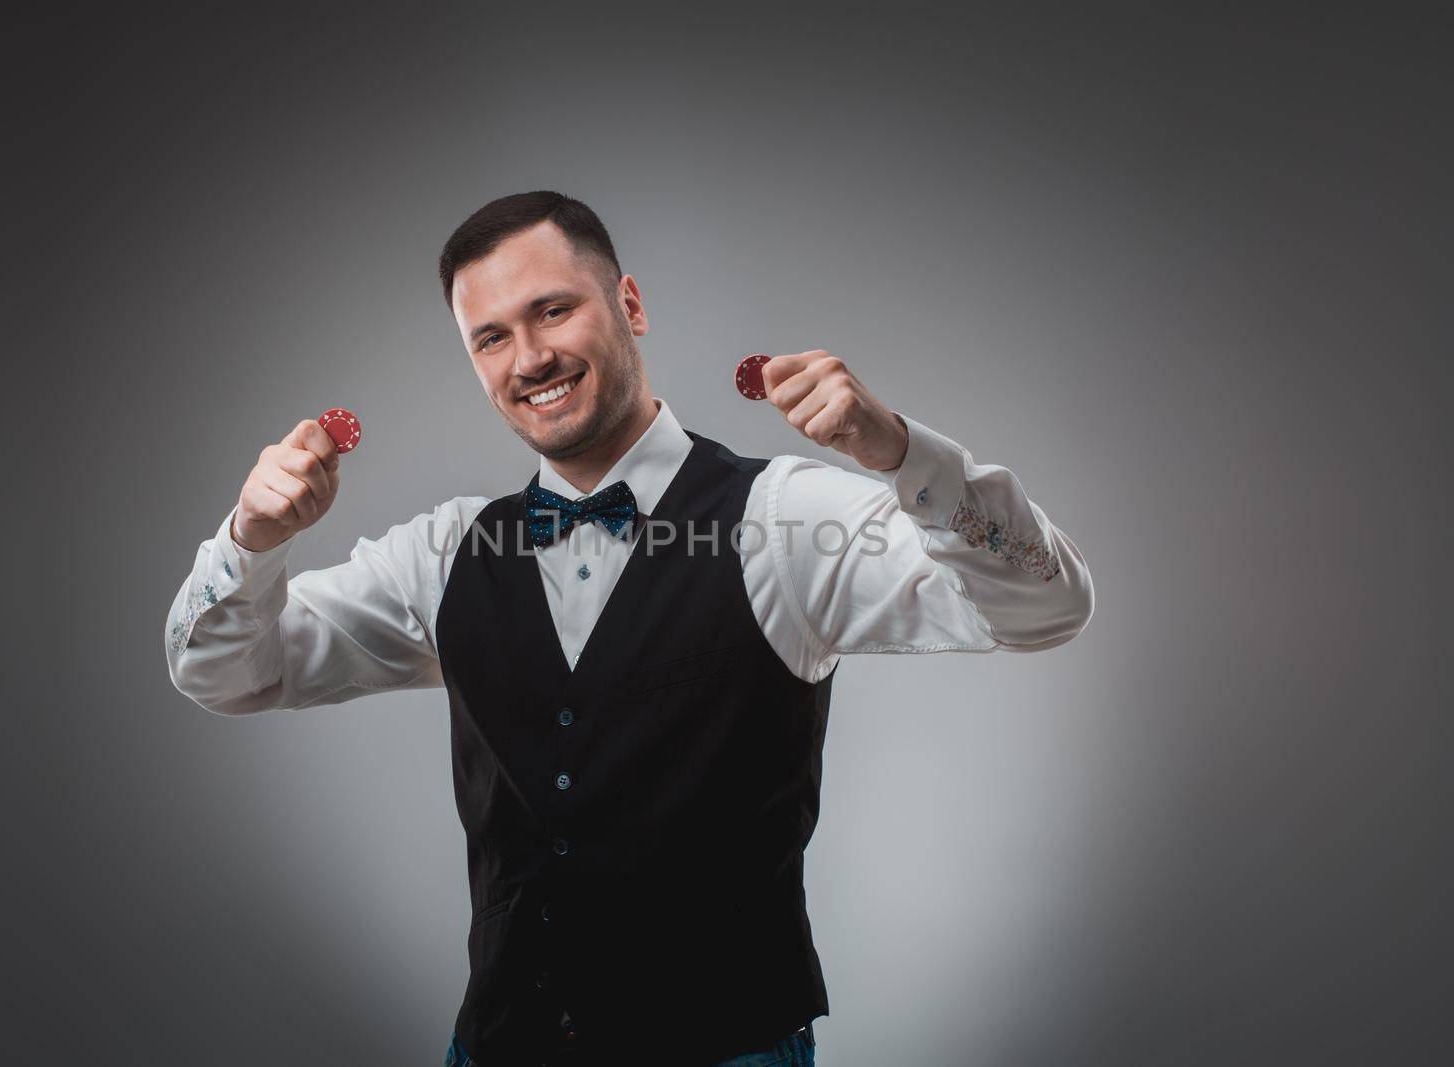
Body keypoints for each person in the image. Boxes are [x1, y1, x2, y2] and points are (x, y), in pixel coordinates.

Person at [165, 191, 1095, 1066]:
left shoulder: (783, 519)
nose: (528, 357)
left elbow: (1044, 604)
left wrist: (899, 452)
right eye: (491, 337)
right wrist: (251, 541)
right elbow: (224, 672)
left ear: (630, 303)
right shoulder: (444, 554)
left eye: (553, 311)